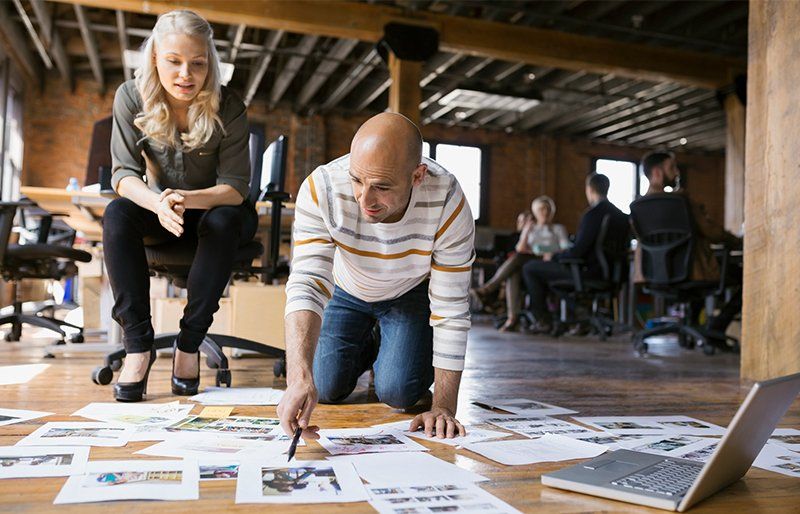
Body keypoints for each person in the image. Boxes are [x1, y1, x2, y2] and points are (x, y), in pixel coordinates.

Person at [277, 113, 475, 441]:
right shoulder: (322, 187)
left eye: (381, 187)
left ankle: (390, 345)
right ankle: (371, 343)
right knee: (324, 386)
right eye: (357, 180)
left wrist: (444, 406)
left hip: (408, 292)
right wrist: (298, 378)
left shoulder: (448, 200)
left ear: (417, 176)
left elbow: (451, 309)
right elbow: (308, 282)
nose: (364, 200)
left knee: (399, 392)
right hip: (347, 288)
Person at [104, 10, 258, 402]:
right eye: (174, 61)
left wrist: (186, 199)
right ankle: (138, 346)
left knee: (225, 220)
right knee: (117, 214)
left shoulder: (230, 106)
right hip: (161, 213)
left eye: (197, 63)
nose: (185, 74)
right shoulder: (130, 97)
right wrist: (159, 203)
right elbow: (123, 176)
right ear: (155, 58)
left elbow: (236, 188)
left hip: (214, 211)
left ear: (211, 63)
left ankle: (189, 344)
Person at [640, 151, 742, 341]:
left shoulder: (638, 206)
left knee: (702, 275)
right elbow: (712, 232)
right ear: (656, 172)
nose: (677, 173)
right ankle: (717, 327)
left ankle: (692, 328)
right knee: (742, 276)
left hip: (656, 274)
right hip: (691, 272)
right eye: (672, 168)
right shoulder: (681, 201)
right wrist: (739, 241)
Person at [521, 173, 626, 333]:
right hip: (613, 272)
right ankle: (579, 315)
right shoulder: (621, 216)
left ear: (589, 190)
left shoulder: (592, 215)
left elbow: (577, 252)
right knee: (552, 279)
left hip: (587, 271)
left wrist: (555, 257)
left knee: (531, 268)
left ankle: (544, 320)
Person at [473, 196, 569, 331]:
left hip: (547, 264)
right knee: (515, 268)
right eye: (541, 209)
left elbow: (566, 248)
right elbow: (520, 248)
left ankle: (491, 293)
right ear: (535, 212)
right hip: (529, 264)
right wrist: (526, 231)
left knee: (517, 263)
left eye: (547, 209)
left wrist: (552, 253)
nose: (545, 213)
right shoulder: (532, 229)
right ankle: (511, 316)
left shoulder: (558, 228)